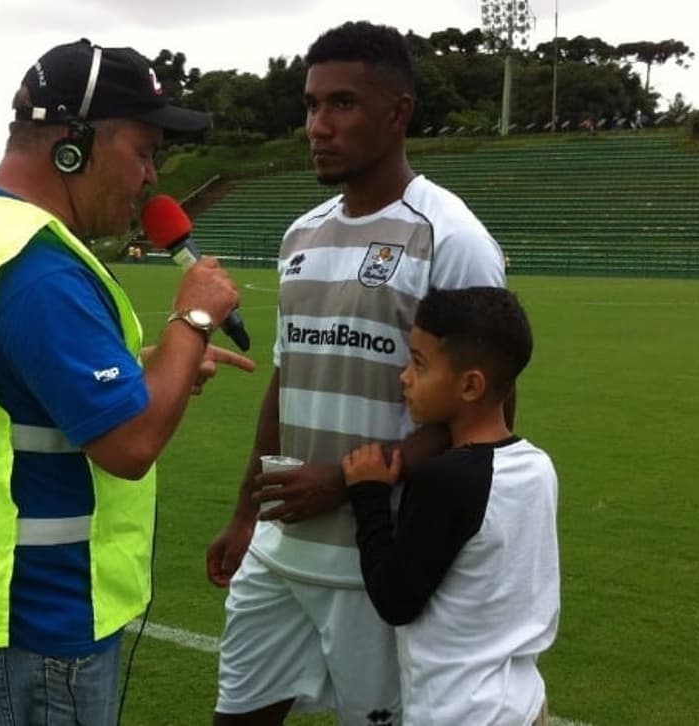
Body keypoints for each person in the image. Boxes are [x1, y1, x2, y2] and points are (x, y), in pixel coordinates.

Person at [0, 38, 254, 726]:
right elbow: (128, 445)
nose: (151, 178)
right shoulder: (38, 269)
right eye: (143, 151)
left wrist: (163, 366)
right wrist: (192, 319)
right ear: (74, 144)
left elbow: (9, 377)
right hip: (36, 618)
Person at [207, 21, 506, 725]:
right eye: (311, 106)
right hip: (280, 554)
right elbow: (288, 378)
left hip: (380, 561)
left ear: (397, 113)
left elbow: (483, 425)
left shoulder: (451, 239)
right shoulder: (300, 234)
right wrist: (247, 512)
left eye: (342, 104)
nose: (318, 125)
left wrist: (341, 480)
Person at [342, 287, 560, 725]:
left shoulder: (444, 481)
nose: (404, 377)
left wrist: (368, 494)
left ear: (470, 385)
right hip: (523, 701)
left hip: (460, 709)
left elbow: (395, 599)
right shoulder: (537, 466)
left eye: (419, 364)